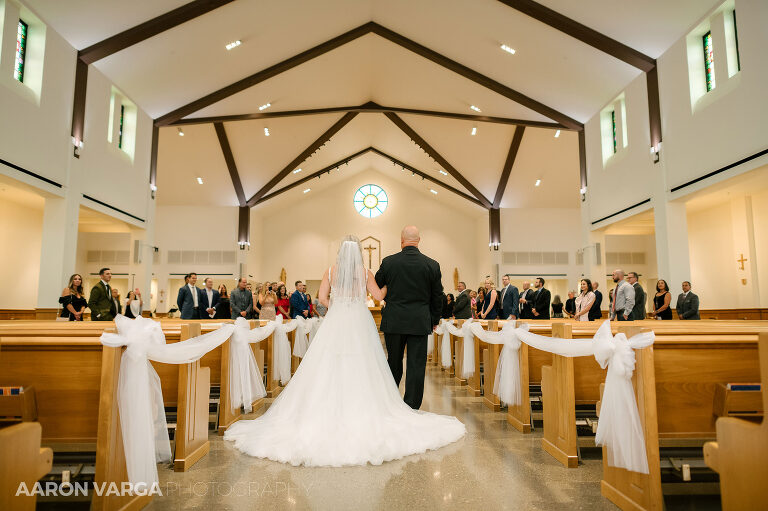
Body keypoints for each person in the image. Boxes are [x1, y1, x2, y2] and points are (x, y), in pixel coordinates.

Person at [224, 234, 464, 466]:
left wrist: (338, 305)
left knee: (329, 361)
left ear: (341, 251)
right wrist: (389, 287)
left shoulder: (331, 271)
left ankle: (326, 408)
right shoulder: (365, 272)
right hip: (359, 320)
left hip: (337, 320)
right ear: (358, 252)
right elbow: (379, 295)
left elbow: (321, 298)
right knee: (363, 362)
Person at [374, 225, 444, 409]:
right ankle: (411, 406)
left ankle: (390, 403)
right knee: (416, 365)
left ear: (401, 240)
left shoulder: (389, 262)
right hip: (419, 321)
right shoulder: (432, 264)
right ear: (419, 240)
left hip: (394, 319)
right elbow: (438, 296)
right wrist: (434, 320)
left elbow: (377, 284)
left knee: (393, 362)